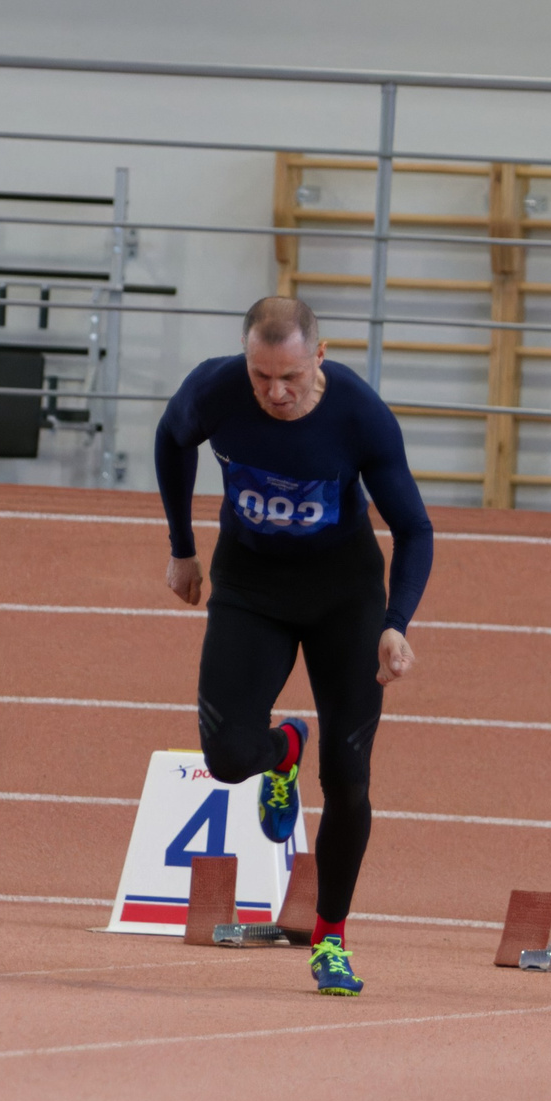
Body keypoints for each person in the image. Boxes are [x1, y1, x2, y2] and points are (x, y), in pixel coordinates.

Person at [155, 297, 433, 997]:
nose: (276, 393)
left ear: (321, 355)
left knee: (348, 775)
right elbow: (170, 439)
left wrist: (398, 620)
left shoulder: (360, 416)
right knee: (224, 759)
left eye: (291, 377)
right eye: (261, 377)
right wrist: (182, 549)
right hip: (251, 589)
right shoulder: (215, 390)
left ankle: (331, 937)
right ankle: (282, 749)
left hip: (346, 599)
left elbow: (416, 528)